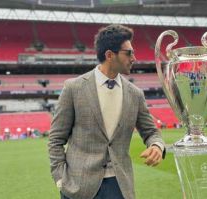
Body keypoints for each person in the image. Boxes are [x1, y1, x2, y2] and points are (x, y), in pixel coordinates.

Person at [48, 24, 166, 199]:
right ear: (110, 55)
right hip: (77, 187)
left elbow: (151, 132)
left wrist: (157, 145)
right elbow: (56, 139)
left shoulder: (135, 94)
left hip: (119, 187)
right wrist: (60, 179)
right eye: (129, 53)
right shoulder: (73, 88)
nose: (134, 58)